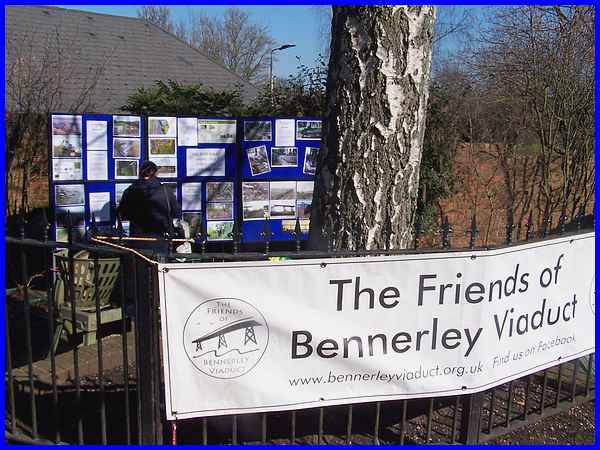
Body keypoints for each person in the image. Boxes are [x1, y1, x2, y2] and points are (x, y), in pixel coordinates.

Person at [117, 160, 181, 254]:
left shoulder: (130, 191)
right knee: (159, 266)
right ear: (155, 173)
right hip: (160, 240)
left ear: (140, 173)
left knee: (139, 266)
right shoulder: (165, 191)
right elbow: (176, 212)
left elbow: (122, 214)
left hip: (137, 240)